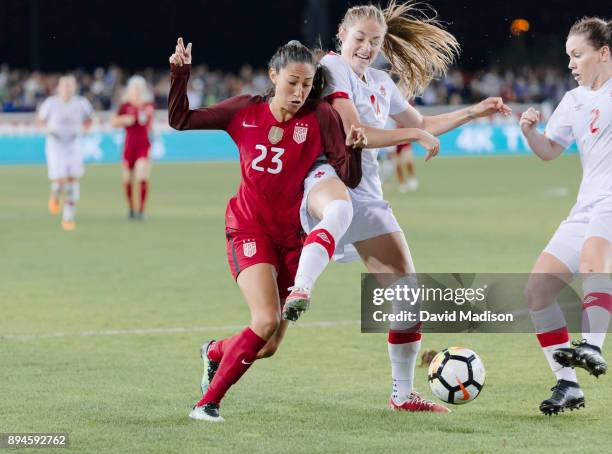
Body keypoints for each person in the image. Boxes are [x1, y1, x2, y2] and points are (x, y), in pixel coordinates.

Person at [283, 1, 511, 413]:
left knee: (407, 290)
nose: (367, 47)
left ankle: (402, 395)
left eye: (375, 41)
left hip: (367, 192)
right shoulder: (333, 68)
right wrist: (414, 137)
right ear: (341, 36)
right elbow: (358, 133)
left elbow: (422, 124)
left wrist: (475, 111)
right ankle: (302, 287)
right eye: (360, 39)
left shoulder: (381, 83)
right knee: (334, 218)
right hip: (329, 179)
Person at [168, 37, 364, 422]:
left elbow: (349, 178)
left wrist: (354, 149)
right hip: (248, 229)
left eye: (307, 84)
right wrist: (180, 74)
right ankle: (207, 404)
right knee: (266, 321)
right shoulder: (244, 110)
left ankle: (214, 352)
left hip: (293, 238)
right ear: (273, 75)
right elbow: (181, 120)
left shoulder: (321, 116)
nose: (299, 92)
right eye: (292, 82)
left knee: (269, 345)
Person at [521, 16, 612, 416]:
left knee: (595, 259)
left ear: (603, 54)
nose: (571, 64)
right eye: (568, 56)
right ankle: (567, 384)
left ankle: (593, 345)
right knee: (537, 290)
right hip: (587, 204)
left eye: (578, 55)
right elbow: (549, 151)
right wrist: (529, 132)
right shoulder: (573, 100)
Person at [38, 75, 93, 231]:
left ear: (74, 87)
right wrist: (46, 130)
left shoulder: (81, 103)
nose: (67, 88)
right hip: (56, 144)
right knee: (61, 180)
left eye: (70, 85)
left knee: (72, 179)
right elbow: (40, 120)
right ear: (59, 87)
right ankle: (55, 194)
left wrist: (85, 130)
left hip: (73, 143)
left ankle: (68, 217)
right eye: (64, 85)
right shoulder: (51, 103)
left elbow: (89, 119)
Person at [111, 75, 154, 220]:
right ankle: (130, 208)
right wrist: (124, 119)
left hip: (143, 145)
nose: (136, 91)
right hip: (129, 146)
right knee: (127, 178)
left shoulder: (147, 106)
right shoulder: (125, 106)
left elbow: (149, 125)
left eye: (139, 89)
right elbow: (114, 121)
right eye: (134, 88)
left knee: (142, 174)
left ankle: (141, 210)